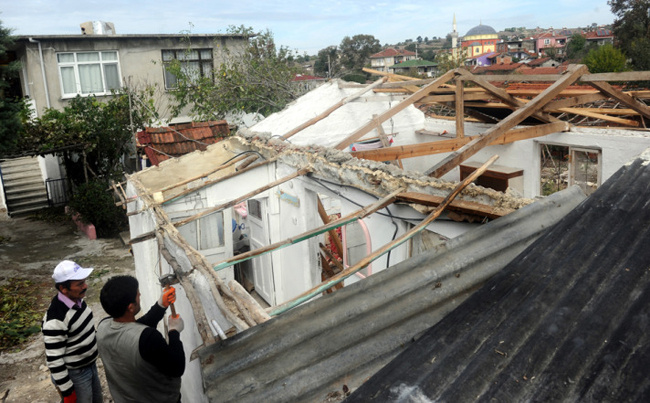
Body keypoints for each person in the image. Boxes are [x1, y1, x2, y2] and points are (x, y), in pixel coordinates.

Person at [96, 275, 185, 403]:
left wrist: (160, 305)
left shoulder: (103, 326)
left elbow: (133, 328)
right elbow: (177, 368)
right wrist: (174, 332)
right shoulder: (149, 338)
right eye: (138, 295)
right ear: (131, 307)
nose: (140, 295)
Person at [42, 260, 103, 403]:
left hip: (90, 366)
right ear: (64, 288)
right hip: (76, 374)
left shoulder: (77, 301)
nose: (85, 286)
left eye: (84, 282)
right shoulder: (56, 320)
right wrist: (68, 392)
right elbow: (54, 360)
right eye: (80, 284)